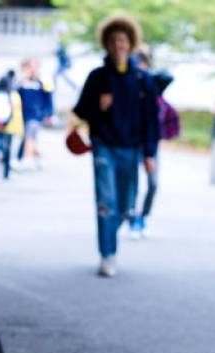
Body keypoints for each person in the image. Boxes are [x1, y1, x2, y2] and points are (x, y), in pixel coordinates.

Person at [71, 15, 159, 278]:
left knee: (124, 206)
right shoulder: (97, 78)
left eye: (122, 40)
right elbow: (81, 110)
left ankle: (112, 232)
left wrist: (149, 153)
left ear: (130, 43)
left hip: (131, 149)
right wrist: (98, 107)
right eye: (113, 40)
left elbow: (151, 121)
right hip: (104, 147)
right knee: (105, 202)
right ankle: (108, 253)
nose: (118, 45)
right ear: (107, 44)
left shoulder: (143, 80)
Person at [130, 49, 179, 237]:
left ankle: (143, 216)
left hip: (151, 144)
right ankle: (132, 217)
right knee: (132, 183)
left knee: (153, 183)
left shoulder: (152, 85)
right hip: (133, 143)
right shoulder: (129, 86)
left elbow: (168, 76)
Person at [16, 59, 54, 169]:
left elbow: (49, 99)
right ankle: (39, 157)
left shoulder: (43, 82)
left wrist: (49, 114)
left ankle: (24, 160)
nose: (31, 69)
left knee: (29, 138)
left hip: (36, 115)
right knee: (30, 138)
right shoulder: (23, 82)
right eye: (29, 67)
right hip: (24, 115)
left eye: (34, 66)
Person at [0, 74, 23, 181]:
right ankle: (6, 172)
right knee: (7, 150)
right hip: (8, 127)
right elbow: (17, 115)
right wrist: (19, 130)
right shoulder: (14, 96)